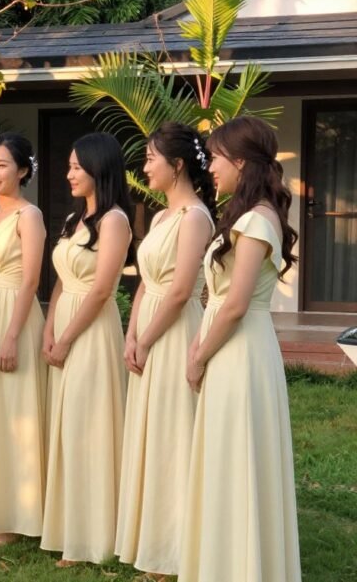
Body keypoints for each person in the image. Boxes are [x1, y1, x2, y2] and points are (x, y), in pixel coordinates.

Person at [180, 116, 301, 582]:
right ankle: (224, 561)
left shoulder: (257, 219)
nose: (210, 166)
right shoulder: (245, 214)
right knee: (226, 456)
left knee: (239, 455)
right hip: (230, 345)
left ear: (241, 162)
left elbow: (234, 305)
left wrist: (198, 355)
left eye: (216, 158)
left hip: (239, 349)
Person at [114, 122, 215, 579]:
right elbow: (145, 284)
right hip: (148, 328)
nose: (144, 166)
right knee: (149, 433)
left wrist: (150, 338)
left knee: (174, 436)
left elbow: (178, 293)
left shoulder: (196, 217)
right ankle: (148, 540)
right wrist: (131, 335)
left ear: (177, 166)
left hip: (174, 333)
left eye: (152, 158)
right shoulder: (157, 217)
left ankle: (175, 549)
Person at [40, 132, 133, 567]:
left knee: (89, 427)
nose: (69, 173)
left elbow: (99, 292)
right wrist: (48, 329)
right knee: (67, 427)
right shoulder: (74, 219)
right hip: (63, 324)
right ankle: (68, 528)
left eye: (77, 166)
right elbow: (61, 280)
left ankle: (94, 536)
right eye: (70, 166)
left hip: (91, 332)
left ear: (99, 168)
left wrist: (67, 338)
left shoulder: (114, 221)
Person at [0, 133, 48, 548]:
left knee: (16, 413)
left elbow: (32, 279)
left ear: (22, 171)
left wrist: (12, 334)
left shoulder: (28, 216)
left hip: (17, 315)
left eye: (2, 165)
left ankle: (18, 515)